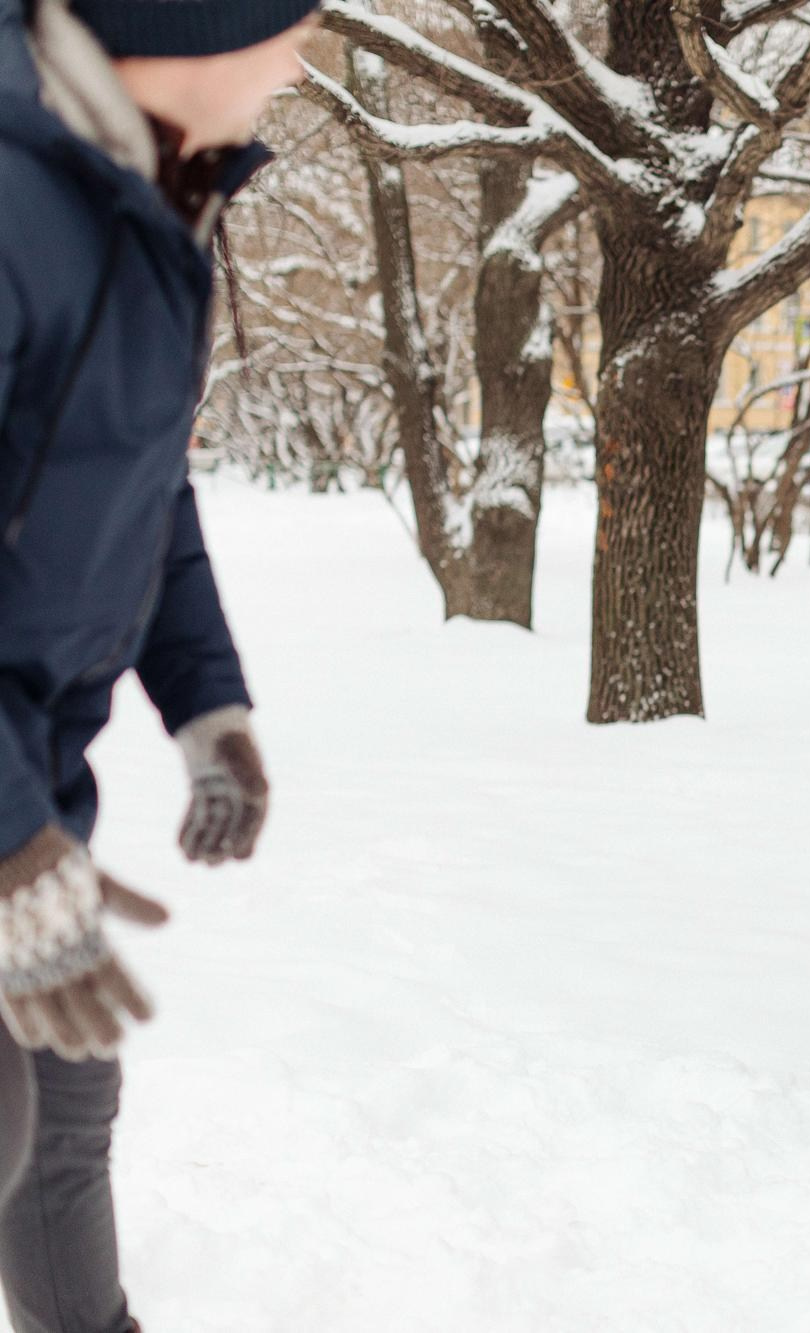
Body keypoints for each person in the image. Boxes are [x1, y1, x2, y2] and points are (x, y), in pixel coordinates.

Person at [0, 0, 312, 1326]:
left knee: (64, 1106)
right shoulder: (18, 207)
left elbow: (138, 481)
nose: (301, 58)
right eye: (286, 24)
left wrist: (206, 704)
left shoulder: (137, 195)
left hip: (29, 786)